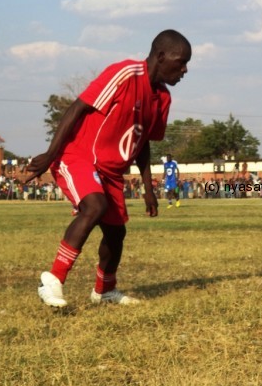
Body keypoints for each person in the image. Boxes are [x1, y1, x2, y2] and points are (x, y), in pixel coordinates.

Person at [25, 29, 192, 308]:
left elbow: (144, 142)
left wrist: (149, 189)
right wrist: (50, 154)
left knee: (116, 233)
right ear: (161, 56)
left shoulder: (162, 98)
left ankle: (104, 291)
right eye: (181, 61)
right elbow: (77, 108)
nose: (185, 69)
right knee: (94, 206)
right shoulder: (125, 74)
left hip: (112, 172)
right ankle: (52, 279)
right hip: (78, 156)